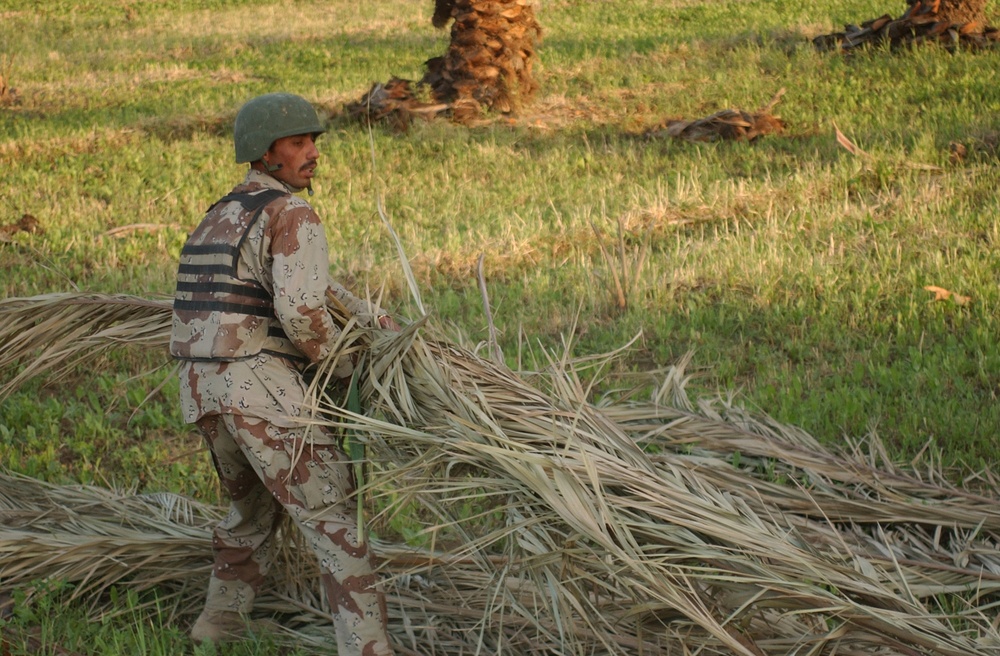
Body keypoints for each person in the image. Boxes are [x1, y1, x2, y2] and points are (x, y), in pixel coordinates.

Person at [169, 92, 397, 655]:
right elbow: (302, 312)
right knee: (336, 523)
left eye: (313, 140)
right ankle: (367, 648)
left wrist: (372, 317)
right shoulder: (292, 213)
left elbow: (288, 290)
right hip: (261, 390)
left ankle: (215, 630)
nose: (312, 152)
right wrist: (343, 370)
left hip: (202, 389)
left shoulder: (220, 215)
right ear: (263, 152)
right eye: (297, 143)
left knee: (251, 513)